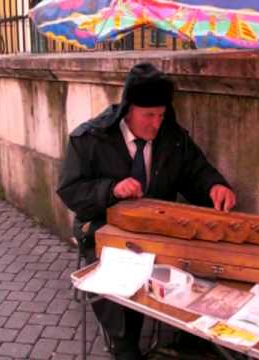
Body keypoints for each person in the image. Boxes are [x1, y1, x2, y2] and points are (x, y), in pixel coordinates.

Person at [57, 63, 236, 360]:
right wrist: (111, 190)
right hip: (103, 229)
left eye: (162, 115)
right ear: (128, 110)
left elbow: (196, 172)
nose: (157, 124)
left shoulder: (173, 138)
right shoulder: (91, 139)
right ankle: (123, 343)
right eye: (149, 115)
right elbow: (70, 191)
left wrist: (215, 186)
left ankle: (188, 337)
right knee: (122, 270)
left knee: (203, 260)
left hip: (158, 231)